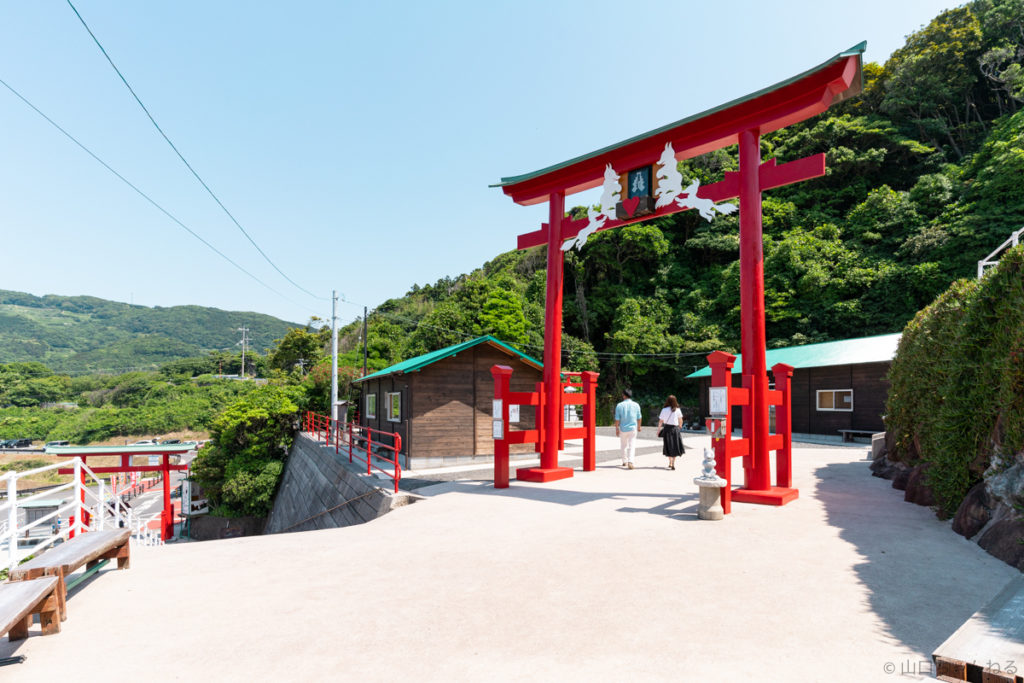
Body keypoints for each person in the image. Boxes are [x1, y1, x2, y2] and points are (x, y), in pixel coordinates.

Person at [614, 389, 642, 469]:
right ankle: (631, 461)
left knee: (623, 445)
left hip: (623, 428)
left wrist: (617, 428)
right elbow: (639, 417)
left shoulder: (619, 405)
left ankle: (624, 461)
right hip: (633, 428)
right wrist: (639, 427)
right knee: (632, 445)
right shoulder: (636, 405)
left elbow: (617, 419)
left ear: (624, 395)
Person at [658, 395, 685, 469]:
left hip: (667, 429)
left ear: (667, 401)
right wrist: (680, 426)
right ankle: (673, 462)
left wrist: (658, 430)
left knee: (668, 445)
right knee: (675, 446)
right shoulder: (678, 410)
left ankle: (670, 462)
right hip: (675, 429)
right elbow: (680, 420)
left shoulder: (664, 410)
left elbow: (660, 421)